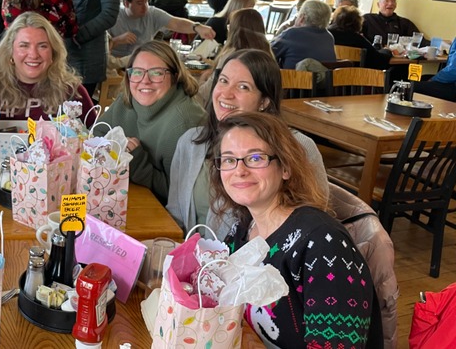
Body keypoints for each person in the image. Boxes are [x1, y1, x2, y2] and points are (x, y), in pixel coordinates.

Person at [212, 112, 376, 347]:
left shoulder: (323, 244)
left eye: (256, 158)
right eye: (229, 160)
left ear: (285, 167)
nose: (239, 171)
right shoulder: (243, 226)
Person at [167, 49, 328, 237]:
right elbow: (175, 214)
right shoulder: (190, 142)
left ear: (264, 101)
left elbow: (312, 223)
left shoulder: (298, 147)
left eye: (243, 87)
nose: (226, 94)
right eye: (223, 81)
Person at [0, 12, 97, 153]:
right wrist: (2, 145)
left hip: (53, 168)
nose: (33, 54)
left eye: (42, 46)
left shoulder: (71, 90)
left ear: (53, 53)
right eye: (24, 45)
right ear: (10, 51)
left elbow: (95, 137)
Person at [95, 40, 206, 205]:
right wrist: (118, 147)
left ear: (175, 76)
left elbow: (179, 195)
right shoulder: (127, 99)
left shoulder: (184, 123)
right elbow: (96, 134)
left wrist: (137, 162)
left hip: (163, 213)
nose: (145, 81)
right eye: (137, 72)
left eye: (156, 73)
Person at [108, 0, 215, 58]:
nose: (145, 7)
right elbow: (101, 47)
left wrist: (197, 27)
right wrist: (117, 40)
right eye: (140, 3)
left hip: (142, 61)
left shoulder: (152, 13)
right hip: (116, 64)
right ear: (126, 4)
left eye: (146, 2)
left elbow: (176, 23)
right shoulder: (112, 16)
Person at [271, 0, 336, 69]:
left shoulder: (292, 34)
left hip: (294, 76)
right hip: (325, 76)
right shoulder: (329, 37)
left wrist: (293, 28)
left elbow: (267, 52)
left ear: (302, 17)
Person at [362, 0, 427, 47]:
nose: (390, 4)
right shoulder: (368, 19)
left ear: (395, 5)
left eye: (393, 1)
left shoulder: (404, 23)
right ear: (378, 4)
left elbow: (420, 41)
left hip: (396, 56)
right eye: (386, 1)